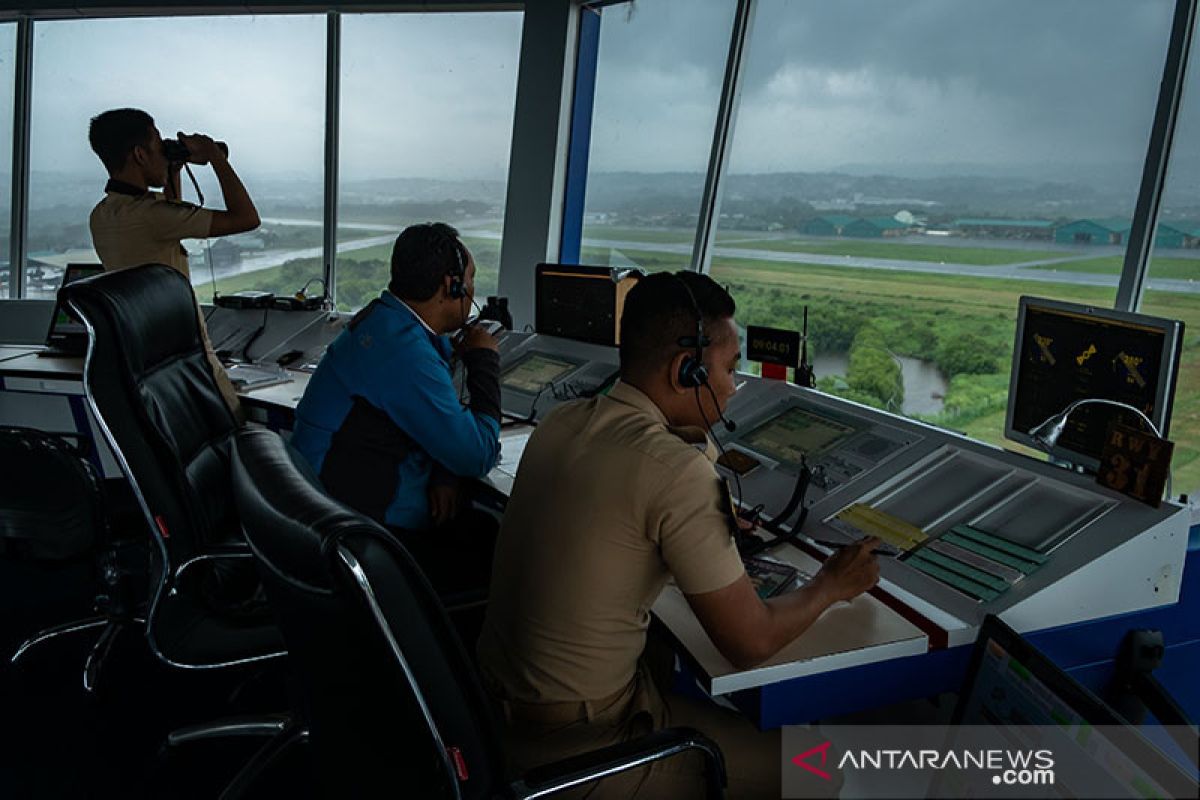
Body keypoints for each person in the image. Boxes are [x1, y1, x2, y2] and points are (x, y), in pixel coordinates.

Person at [476, 271, 881, 798]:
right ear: (684, 370)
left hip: (489, 708)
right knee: (821, 767)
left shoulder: (563, 420)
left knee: (670, 667)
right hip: (580, 747)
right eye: (729, 369)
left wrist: (703, 508)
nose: (734, 387)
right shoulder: (674, 472)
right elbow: (748, 641)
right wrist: (830, 584)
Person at [290, 222, 501, 597]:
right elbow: (477, 454)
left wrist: (445, 471)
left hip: (331, 507)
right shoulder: (403, 353)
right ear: (449, 287)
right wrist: (484, 363)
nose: (472, 292)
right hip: (357, 532)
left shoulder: (389, 321)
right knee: (495, 543)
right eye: (470, 281)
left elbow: (432, 420)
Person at [87, 108, 260, 413]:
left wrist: (172, 171)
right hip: (195, 368)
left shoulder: (104, 214)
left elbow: (169, 223)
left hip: (154, 365)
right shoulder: (150, 216)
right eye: (157, 146)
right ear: (139, 155)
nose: (162, 152)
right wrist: (215, 157)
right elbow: (246, 218)